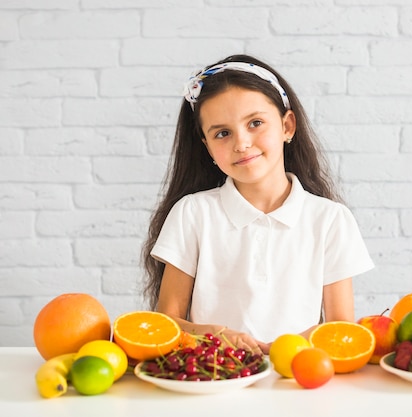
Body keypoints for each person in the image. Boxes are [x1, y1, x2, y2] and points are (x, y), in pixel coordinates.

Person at [141, 54, 374, 355]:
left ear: (287, 126)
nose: (241, 143)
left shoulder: (330, 220)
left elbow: (343, 329)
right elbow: (166, 323)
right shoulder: (192, 214)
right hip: (214, 381)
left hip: (296, 381)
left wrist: (294, 344)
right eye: (222, 133)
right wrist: (213, 335)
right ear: (207, 147)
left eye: (255, 123)